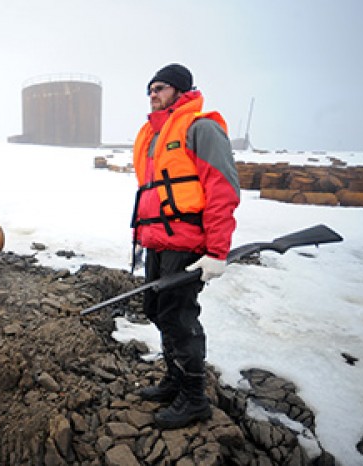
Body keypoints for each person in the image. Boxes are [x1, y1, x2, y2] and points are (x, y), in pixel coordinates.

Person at [130, 63, 240, 429]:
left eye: (160, 88)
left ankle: (194, 399)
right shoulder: (153, 135)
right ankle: (175, 381)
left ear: (180, 90)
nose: (153, 95)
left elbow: (222, 190)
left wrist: (218, 251)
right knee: (158, 311)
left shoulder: (200, 128)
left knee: (179, 318)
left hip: (188, 243)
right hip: (157, 242)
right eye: (150, 89)